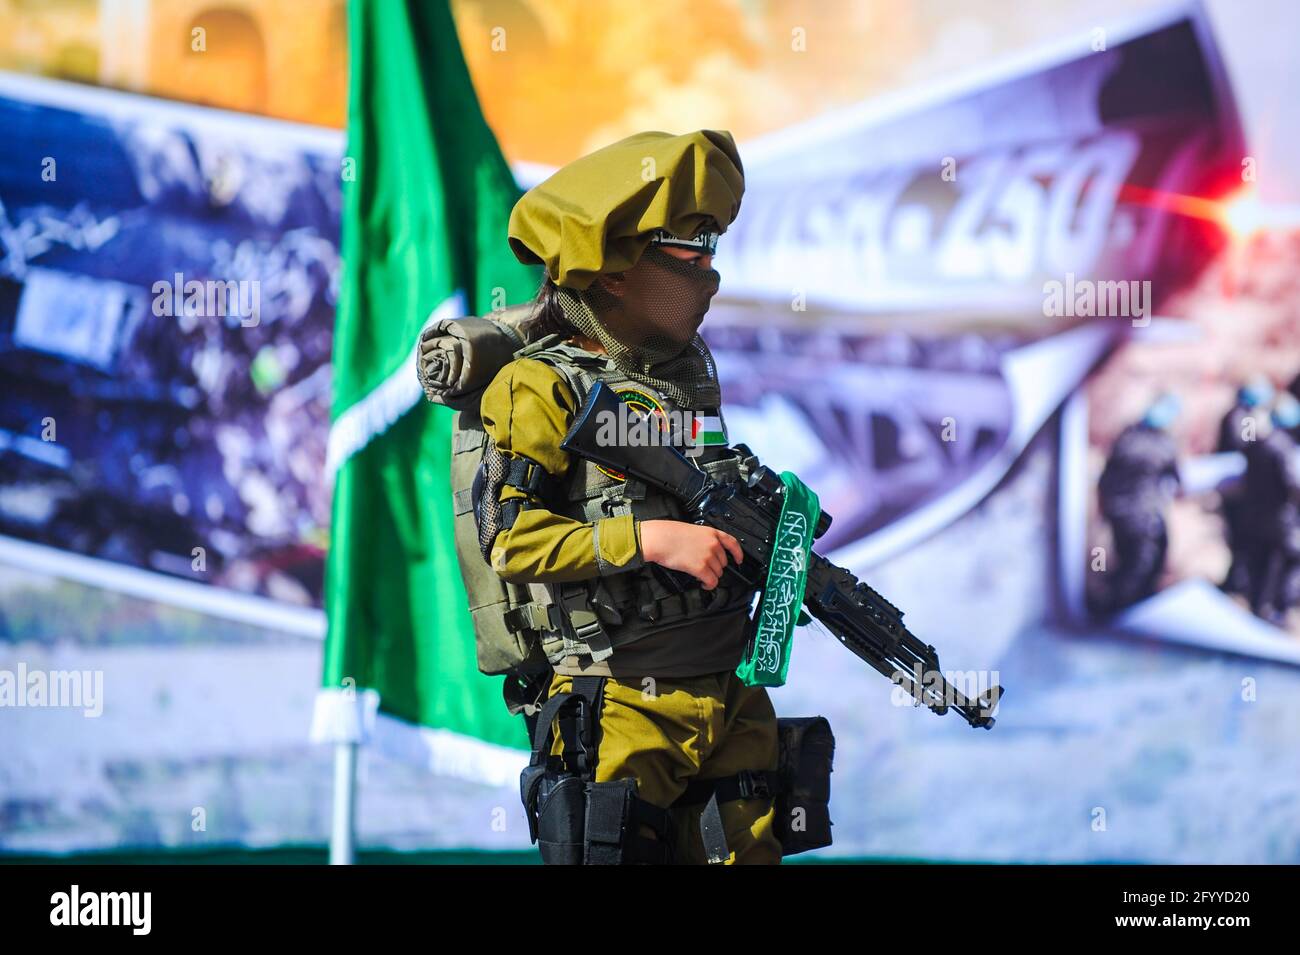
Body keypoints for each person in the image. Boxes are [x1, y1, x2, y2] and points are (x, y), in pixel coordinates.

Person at [479, 130, 783, 864]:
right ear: (613, 270)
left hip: (728, 688)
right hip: (619, 701)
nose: (707, 272)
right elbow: (511, 541)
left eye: (712, 248)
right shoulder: (541, 387)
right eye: (688, 251)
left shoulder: (686, 380)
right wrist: (649, 540)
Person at [1097, 394, 1182, 611]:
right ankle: (1123, 610)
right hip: (1144, 515)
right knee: (1142, 566)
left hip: (1118, 513)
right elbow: (1178, 479)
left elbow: (1106, 477)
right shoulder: (1163, 446)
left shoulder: (1126, 438)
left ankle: (1113, 602)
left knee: (1125, 559)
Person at [1237, 398, 1300, 624]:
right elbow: (1291, 484)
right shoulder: (1283, 447)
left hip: (1253, 516)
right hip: (1278, 519)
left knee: (1257, 565)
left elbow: (1243, 442)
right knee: (1283, 564)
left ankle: (1256, 607)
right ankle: (1275, 611)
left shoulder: (1256, 444)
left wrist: (1252, 417)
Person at [1218, 377, 1274, 594]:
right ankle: (1237, 582)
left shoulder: (1242, 416)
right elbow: (1247, 446)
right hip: (1237, 489)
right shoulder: (1243, 419)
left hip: (1242, 487)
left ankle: (1239, 580)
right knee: (1241, 535)